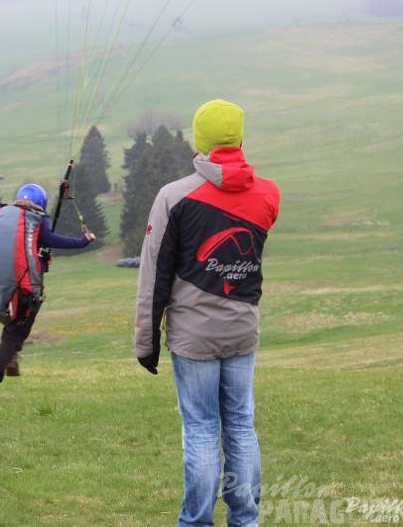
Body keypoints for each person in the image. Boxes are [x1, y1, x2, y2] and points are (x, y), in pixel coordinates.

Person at [134, 99, 280, 526]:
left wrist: (146, 342)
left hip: (193, 337)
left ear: (199, 142)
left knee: (200, 431)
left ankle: (195, 521)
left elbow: (153, 276)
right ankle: (246, 520)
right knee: (240, 425)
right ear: (240, 138)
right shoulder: (269, 194)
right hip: (242, 331)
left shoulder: (173, 197)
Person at [0, 183, 96, 401]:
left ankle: (12, 362)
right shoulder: (36, 221)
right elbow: (54, 240)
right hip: (23, 289)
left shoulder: (0, 217)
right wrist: (83, 241)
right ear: (41, 203)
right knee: (14, 334)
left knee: (13, 326)